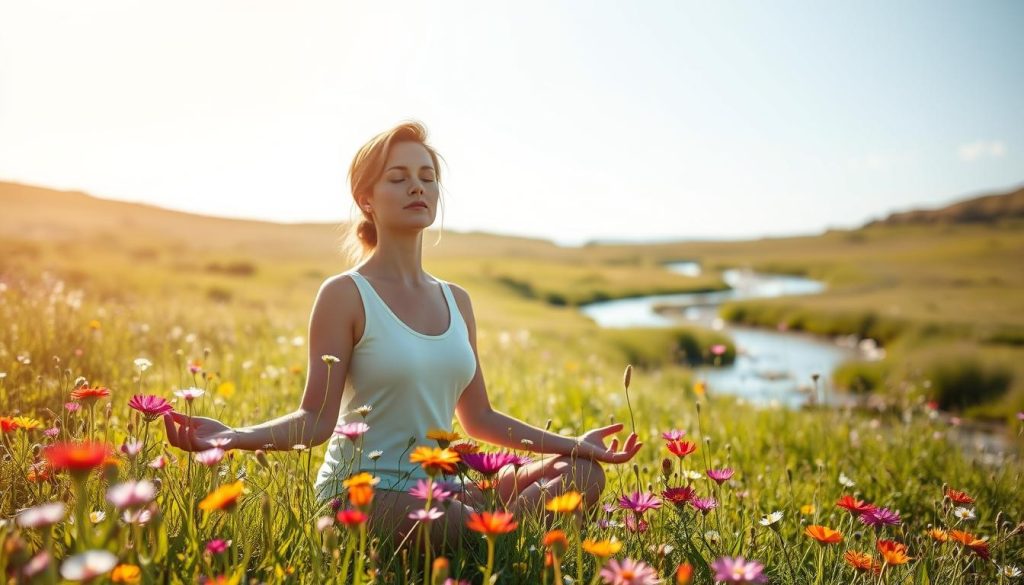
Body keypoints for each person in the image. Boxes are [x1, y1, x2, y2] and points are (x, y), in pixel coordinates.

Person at [162, 120, 642, 548]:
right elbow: (314, 419)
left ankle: (492, 534)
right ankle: (503, 537)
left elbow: (480, 419)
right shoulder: (345, 294)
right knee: (454, 518)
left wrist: (576, 445)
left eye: (427, 178)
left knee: (582, 474)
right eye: (399, 178)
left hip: (446, 487)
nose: (418, 187)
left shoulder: (457, 300)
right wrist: (232, 437)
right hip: (369, 494)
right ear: (366, 199)